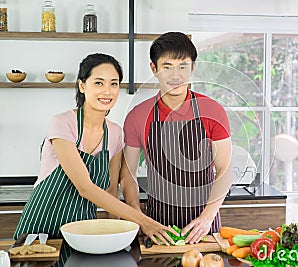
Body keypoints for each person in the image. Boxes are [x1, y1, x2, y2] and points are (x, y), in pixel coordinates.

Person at [13, 53, 178, 241]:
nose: (107, 91)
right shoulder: (62, 123)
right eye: (99, 83)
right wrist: (144, 221)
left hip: (83, 232)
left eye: (114, 83)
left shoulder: (115, 134)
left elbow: (111, 191)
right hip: (39, 228)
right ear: (82, 86)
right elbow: (85, 188)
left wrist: (118, 236)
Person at [121, 32, 233, 245]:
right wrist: (139, 216)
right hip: (157, 228)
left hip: (204, 228)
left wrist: (207, 217)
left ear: (193, 68)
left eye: (183, 66)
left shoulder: (213, 111)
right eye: (167, 66)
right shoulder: (137, 116)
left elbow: (224, 170)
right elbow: (128, 175)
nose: (175, 75)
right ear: (154, 69)